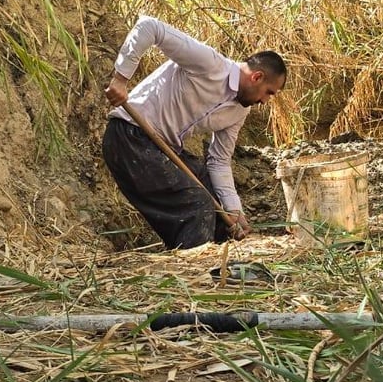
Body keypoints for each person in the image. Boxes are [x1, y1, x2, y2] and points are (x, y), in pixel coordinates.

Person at [102, 15, 287, 249]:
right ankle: (191, 270)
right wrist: (120, 79)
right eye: (269, 92)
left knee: (217, 206)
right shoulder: (209, 64)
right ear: (257, 77)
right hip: (129, 137)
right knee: (197, 205)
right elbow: (149, 26)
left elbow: (219, 161)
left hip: (164, 148)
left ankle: (223, 264)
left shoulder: (239, 111)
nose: (266, 101)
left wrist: (233, 210)